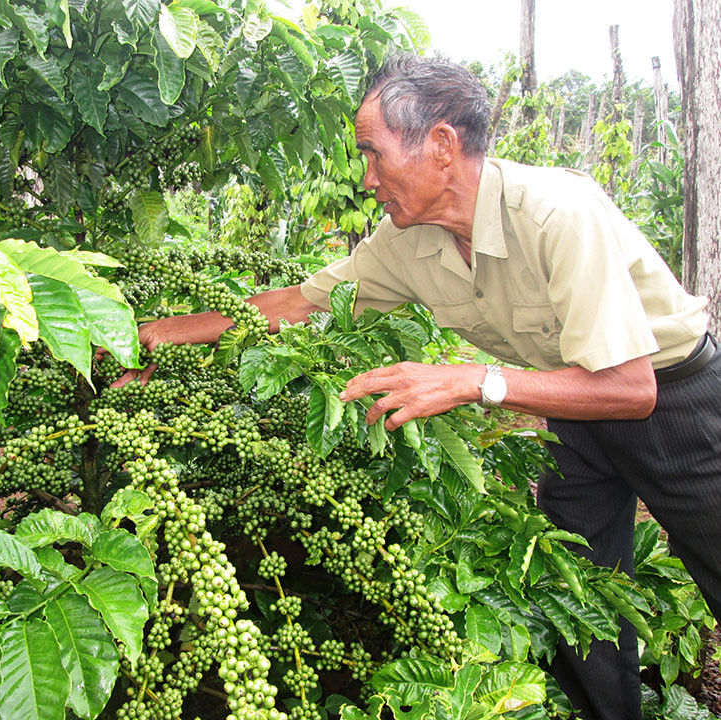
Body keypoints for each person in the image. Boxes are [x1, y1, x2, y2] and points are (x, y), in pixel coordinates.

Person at [113, 54, 721, 720]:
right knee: (573, 595)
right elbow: (301, 303)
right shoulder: (406, 240)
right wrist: (159, 335)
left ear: (440, 145)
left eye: (374, 155)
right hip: (567, 406)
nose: (367, 179)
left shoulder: (556, 213)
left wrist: (470, 381)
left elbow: (631, 390)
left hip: (675, 402)